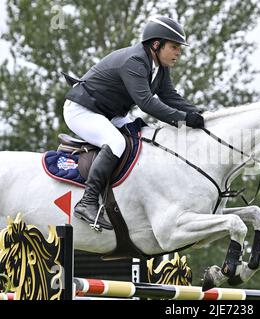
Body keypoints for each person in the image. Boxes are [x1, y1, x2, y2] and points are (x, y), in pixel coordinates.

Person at [63, 16, 204, 230]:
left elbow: (169, 96)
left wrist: (200, 114)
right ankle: (88, 202)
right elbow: (146, 103)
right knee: (116, 143)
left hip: (110, 113)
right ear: (156, 45)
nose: (178, 52)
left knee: (148, 137)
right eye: (174, 47)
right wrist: (184, 120)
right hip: (82, 110)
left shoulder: (160, 66)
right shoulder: (135, 61)